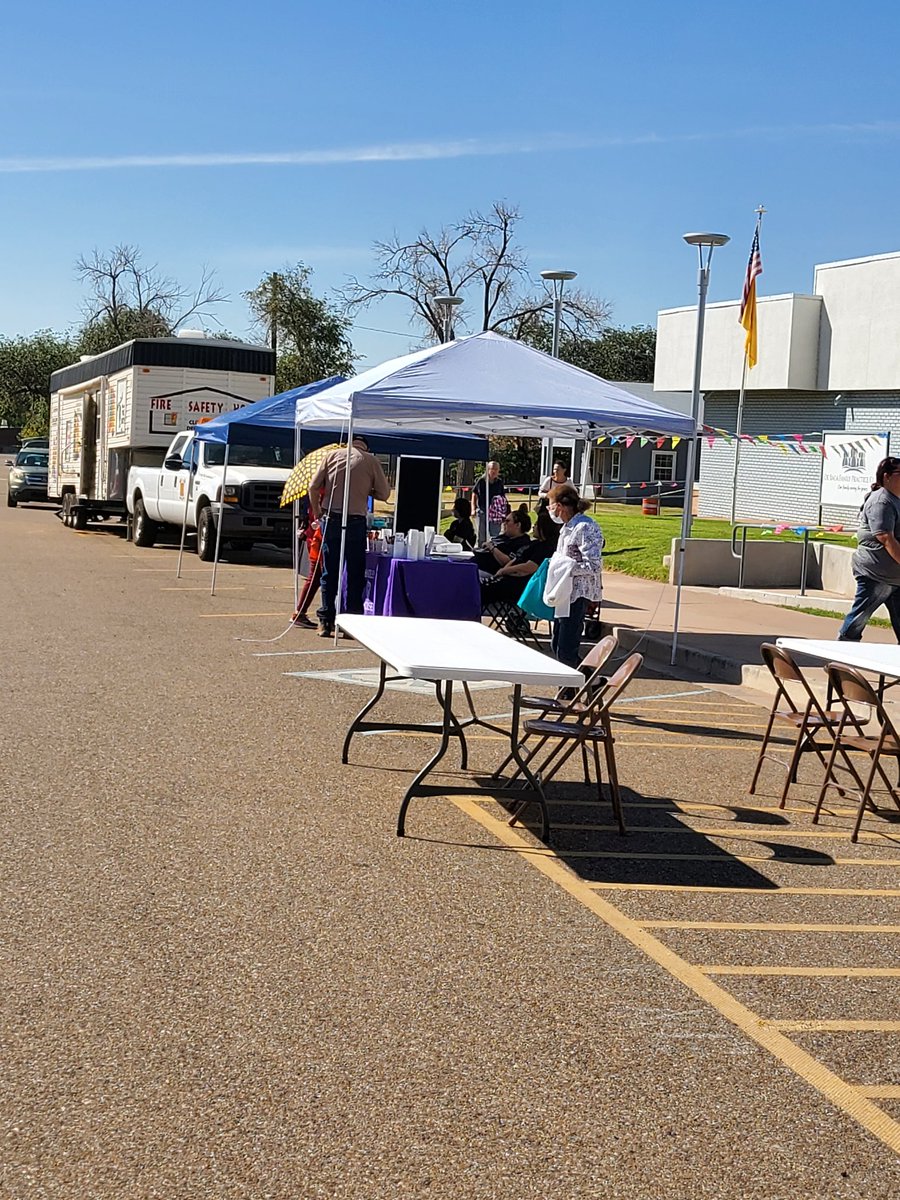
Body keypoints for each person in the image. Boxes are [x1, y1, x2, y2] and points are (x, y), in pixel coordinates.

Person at [309, 435, 390, 637]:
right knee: (355, 571)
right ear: (365, 446)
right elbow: (385, 494)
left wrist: (317, 512)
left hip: (331, 517)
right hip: (355, 520)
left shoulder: (331, 456)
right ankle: (351, 621)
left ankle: (325, 621)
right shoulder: (370, 460)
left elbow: (312, 486)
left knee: (330, 571)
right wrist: (366, 489)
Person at [838, 455, 900, 642]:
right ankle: (841, 657)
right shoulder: (882, 501)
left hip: (895, 576)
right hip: (876, 573)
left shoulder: (896, 499)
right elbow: (885, 537)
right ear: (886, 476)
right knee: (859, 619)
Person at [544, 483, 605, 668]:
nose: (549, 511)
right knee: (557, 645)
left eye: (550, 506)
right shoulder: (567, 528)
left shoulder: (585, 527)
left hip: (578, 594)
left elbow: (594, 565)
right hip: (564, 593)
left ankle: (581, 685)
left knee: (566, 650)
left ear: (559, 507)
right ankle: (586, 683)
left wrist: (566, 568)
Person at [481, 504, 560, 606]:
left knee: (478, 589)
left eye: (536, 524)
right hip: (508, 577)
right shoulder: (535, 544)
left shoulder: (545, 548)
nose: (534, 527)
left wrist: (504, 570)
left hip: (520, 585)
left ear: (544, 528)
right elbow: (516, 559)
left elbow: (529, 567)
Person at [474, 506, 532, 577]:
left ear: (518, 525)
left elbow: (508, 562)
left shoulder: (523, 544)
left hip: (490, 573)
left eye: (507, 521)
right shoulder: (503, 537)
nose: (504, 523)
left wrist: (492, 548)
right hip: (476, 564)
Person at [473, 461, 507, 544]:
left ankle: (494, 551)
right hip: (483, 510)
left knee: (495, 535)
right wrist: (473, 509)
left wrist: (505, 512)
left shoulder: (499, 482)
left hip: (495, 513)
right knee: (482, 535)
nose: (494, 471)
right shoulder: (481, 481)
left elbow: (503, 497)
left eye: (496, 469)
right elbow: (474, 494)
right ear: (488, 469)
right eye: (492, 469)